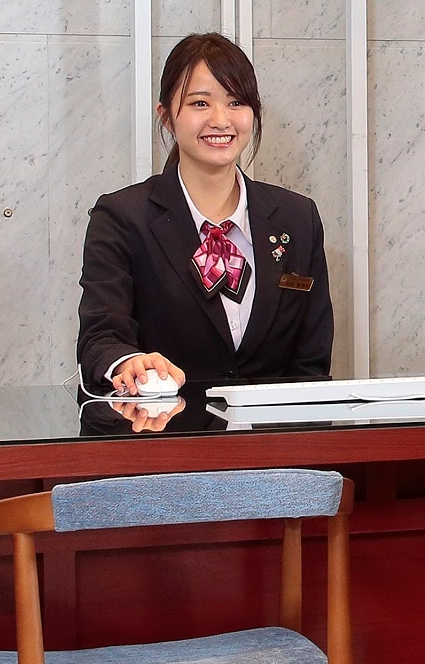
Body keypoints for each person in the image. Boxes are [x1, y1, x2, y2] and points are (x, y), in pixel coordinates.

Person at [79, 33, 334, 396]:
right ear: (166, 117)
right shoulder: (122, 218)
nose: (220, 120)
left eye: (236, 102)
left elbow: (312, 362)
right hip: (164, 438)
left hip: (275, 443)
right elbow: (99, 337)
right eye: (200, 103)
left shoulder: (297, 218)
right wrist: (126, 362)